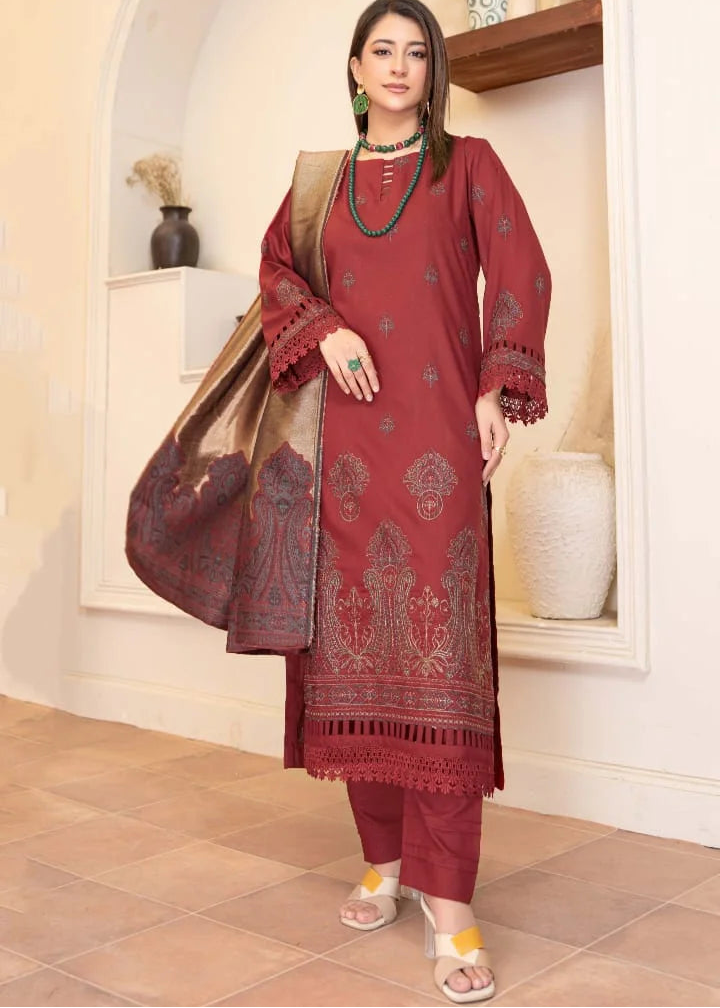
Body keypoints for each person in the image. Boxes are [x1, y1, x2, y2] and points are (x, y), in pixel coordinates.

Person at [258, 1, 550, 1001]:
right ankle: (384, 859)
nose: (398, 65)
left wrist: (492, 387)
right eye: (381, 49)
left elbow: (520, 270)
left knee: (438, 663)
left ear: (433, 72)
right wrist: (328, 328)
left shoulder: (465, 166)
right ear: (354, 67)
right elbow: (278, 278)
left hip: (433, 449)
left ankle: (451, 899)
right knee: (355, 658)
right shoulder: (319, 185)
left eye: (416, 52)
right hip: (339, 459)